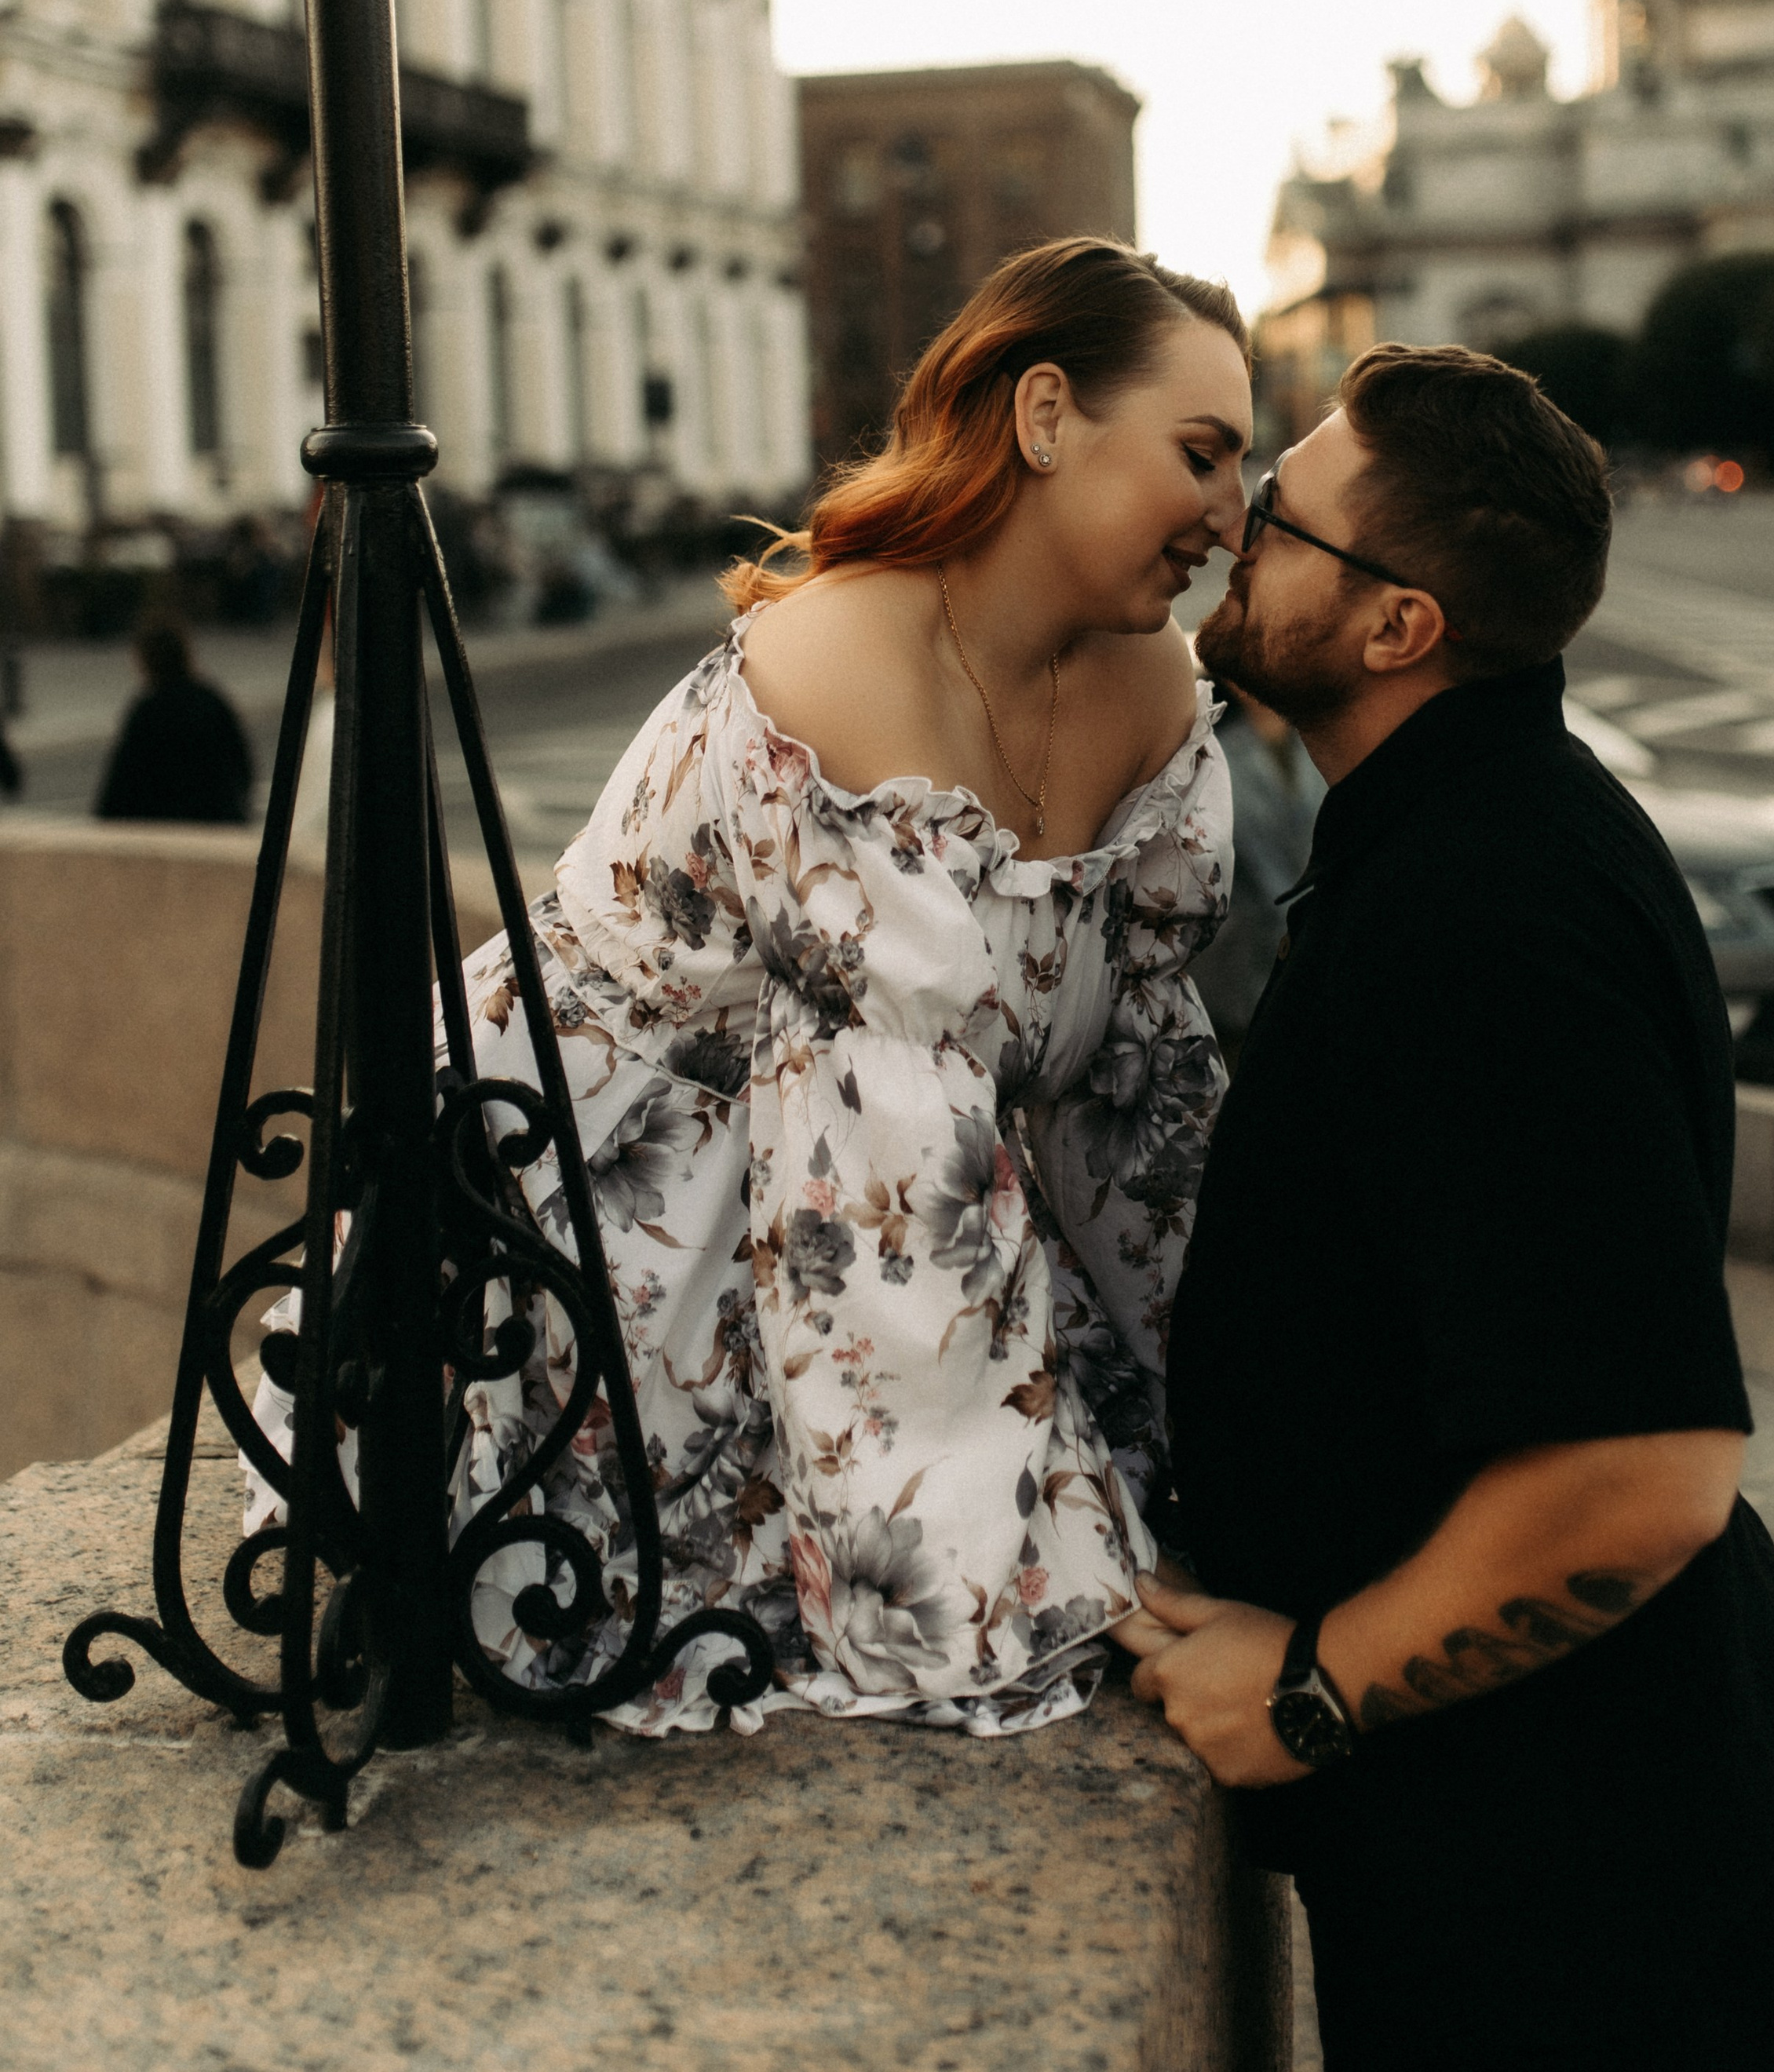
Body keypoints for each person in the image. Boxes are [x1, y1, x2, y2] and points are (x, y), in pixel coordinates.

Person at [257, 239, 1254, 1737]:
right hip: (616, 1216)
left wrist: (1228, 1438)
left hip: (884, 1209)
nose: (1231, 515)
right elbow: (883, 1168)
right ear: (1047, 415)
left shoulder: (1154, 688)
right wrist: (962, 1609)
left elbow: (1140, 1101)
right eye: (1204, 455)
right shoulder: (845, 657)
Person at [1122, 342, 1774, 2071]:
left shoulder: (1484, 921)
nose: (1232, 529)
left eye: (1279, 515)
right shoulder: (1462, 834)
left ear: (1395, 627)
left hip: (1572, 1901)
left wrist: (1310, 1683)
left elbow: (1641, 1468)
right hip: (1538, 1848)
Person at [1188, 680, 1317, 1069]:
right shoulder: (1218, 757)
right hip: (1241, 968)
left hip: (1309, 957)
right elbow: (1259, 873)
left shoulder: (1317, 745)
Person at [94, 619, 254, 825]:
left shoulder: (148, 710)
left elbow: (121, 784)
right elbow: (242, 765)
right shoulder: (210, 700)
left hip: (165, 827)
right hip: (218, 821)